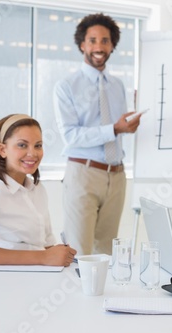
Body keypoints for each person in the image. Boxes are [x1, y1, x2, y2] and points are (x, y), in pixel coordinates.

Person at [54, 13, 141, 255]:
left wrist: (131, 122)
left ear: (112, 45)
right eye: (92, 40)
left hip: (116, 176)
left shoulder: (117, 86)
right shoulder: (67, 86)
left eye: (105, 40)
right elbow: (71, 135)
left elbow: (120, 127)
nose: (99, 46)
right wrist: (115, 129)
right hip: (84, 174)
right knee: (78, 252)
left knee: (107, 253)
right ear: (82, 44)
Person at [0, 114, 76, 266]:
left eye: (38, 145)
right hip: (7, 282)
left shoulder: (37, 189)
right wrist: (43, 258)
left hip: (38, 279)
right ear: (2, 150)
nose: (33, 153)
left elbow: (46, 246)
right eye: (22, 145)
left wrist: (61, 255)